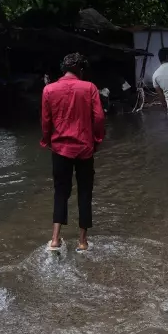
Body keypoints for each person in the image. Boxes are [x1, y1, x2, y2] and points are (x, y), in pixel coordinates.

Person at [41, 53, 105, 252]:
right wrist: (97, 140)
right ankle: (83, 242)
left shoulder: (49, 89)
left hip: (60, 149)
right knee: (85, 192)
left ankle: (55, 239)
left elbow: (46, 121)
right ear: (81, 70)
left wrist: (47, 140)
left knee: (61, 192)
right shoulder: (90, 88)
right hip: (85, 148)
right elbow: (99, 118)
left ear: (64, 69)